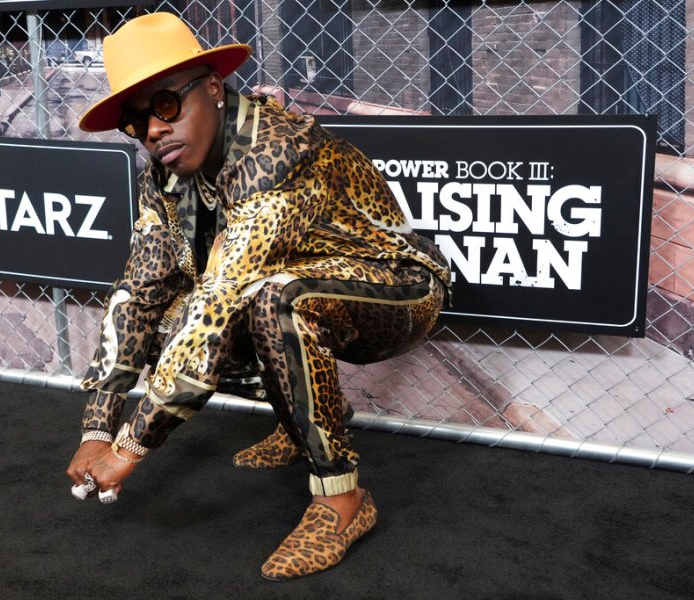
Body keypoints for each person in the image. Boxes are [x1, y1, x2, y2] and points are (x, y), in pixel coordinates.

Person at [65, 11, 452, 581]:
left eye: (165, 105)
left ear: (213, 87)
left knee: (272, 301)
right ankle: (310, 418)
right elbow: (139, 290)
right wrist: (96, 425)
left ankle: (342, 499)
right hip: (296, 279)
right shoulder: (165, 176)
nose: (152, 129)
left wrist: (129, 447)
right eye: (135, 119)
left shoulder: (279, 151)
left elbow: (221, 301)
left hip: (397, 286)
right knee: (170, 319)